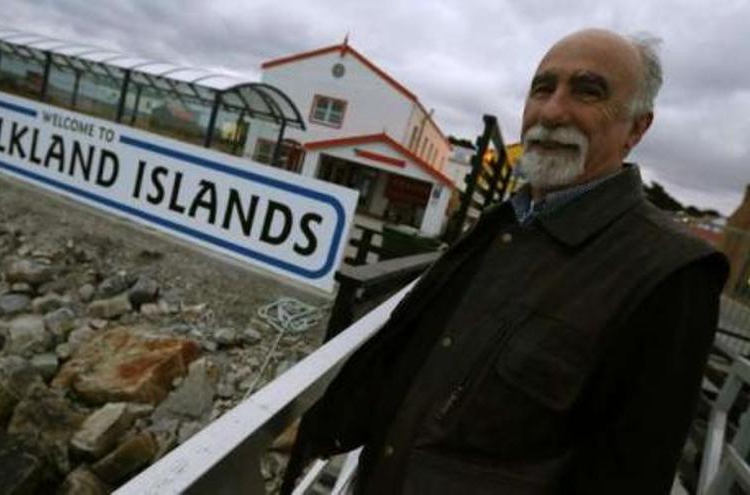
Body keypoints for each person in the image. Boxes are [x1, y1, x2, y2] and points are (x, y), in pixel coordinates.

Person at [282, 28, 730, 495]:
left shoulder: (671, 273)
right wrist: (317, 429)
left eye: (588, 91)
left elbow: (630, 473)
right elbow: (416, 355)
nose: (552, 111)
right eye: (542, 88)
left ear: (637, 128)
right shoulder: (500, 225)